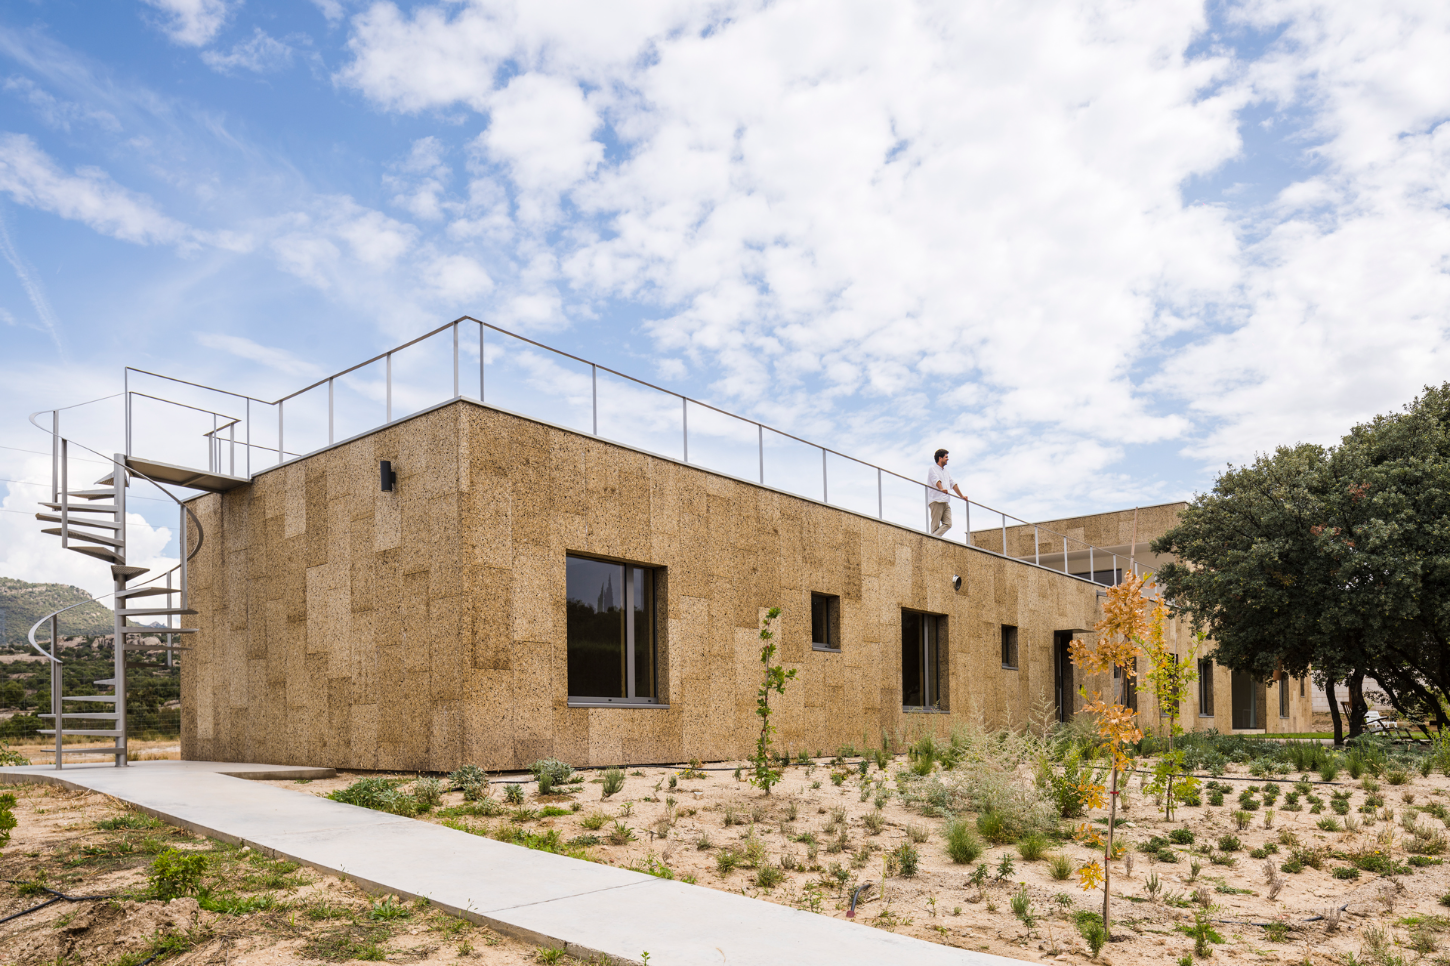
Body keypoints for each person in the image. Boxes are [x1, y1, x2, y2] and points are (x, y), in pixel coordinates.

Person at [927, 449, 965, 537]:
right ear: (940, 458)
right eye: (946, 457)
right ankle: (931, 540)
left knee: (948, 523)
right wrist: (941, 489)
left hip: (945, 502)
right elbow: (936, 480)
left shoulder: (946, 471)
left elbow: (953, 484)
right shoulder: (932, 468)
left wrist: (962, 496)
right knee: (935, 527)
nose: (948, 459)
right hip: (936, 501)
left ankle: (931, 539)